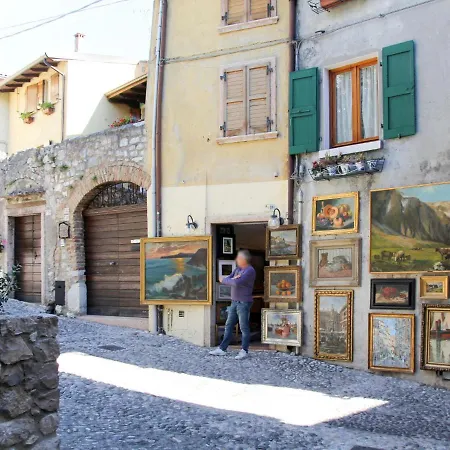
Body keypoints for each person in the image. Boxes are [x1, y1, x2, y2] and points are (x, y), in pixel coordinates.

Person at [209, 249, 256, 360]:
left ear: (244, 259)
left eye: (239, 258)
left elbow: (235, 282)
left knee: (243, 327)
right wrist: (230, 280)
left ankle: (244, 350)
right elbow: (228, 279)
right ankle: (222, 349)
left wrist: (230, 280)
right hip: (234, 302)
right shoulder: (238, 269)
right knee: (229, 325)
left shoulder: (250, 270)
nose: (236, 260)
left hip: (244, 303)